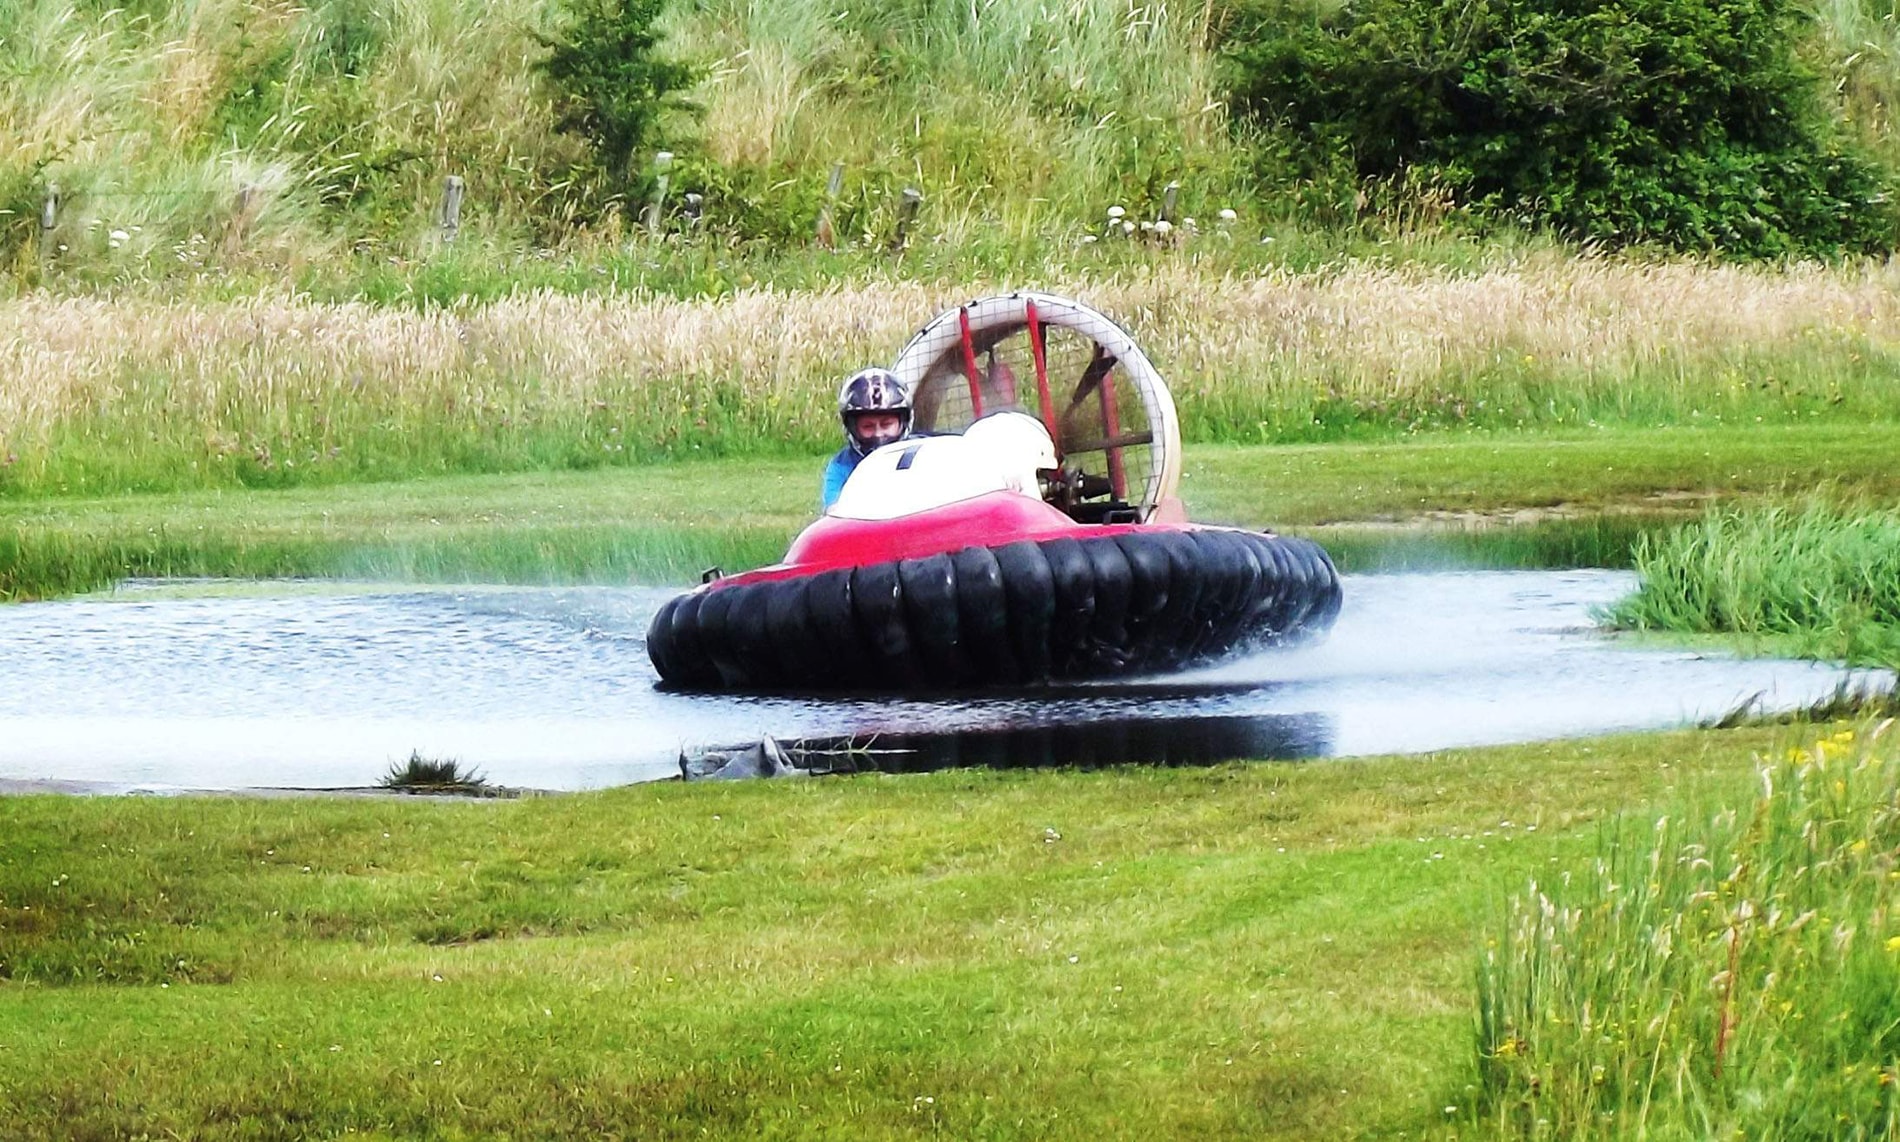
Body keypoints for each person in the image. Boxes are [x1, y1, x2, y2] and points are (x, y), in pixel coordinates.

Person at [821, 367, 913, 510]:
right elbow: (834, 511)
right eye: (868, 426)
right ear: (852, 427)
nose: (878, 434)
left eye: (886, 424)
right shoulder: (841, 466)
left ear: (903, 422)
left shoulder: (919, 456)